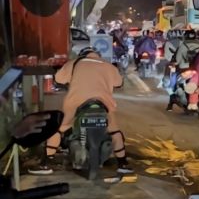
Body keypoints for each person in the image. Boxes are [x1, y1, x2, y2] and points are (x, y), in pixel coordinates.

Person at [31, 47, 133, 175]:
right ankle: (123, 163)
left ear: (82, 55)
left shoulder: (74, 63)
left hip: (76, 104)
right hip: (103, 105)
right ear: (98, 55)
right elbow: (119, 83)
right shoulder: (109, 66)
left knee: (59, 129)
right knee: (114, 131)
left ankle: (46, 163)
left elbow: (58, 79)